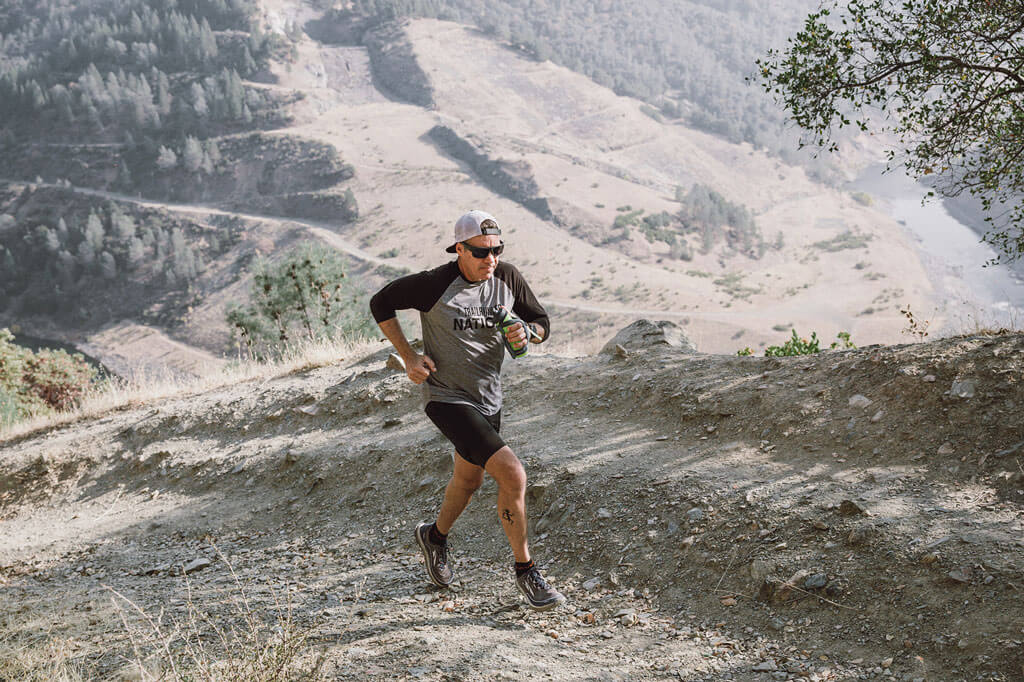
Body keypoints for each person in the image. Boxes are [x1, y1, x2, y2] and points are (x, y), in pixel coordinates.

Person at [369, 209, 565, 611]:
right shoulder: (434, 285)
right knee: (513, 473)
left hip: (489, 398)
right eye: (480, 252)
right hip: (446, 398)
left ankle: (434, 537)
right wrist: (408, 357)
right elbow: (381, 302)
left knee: (469, 481)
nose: (490, 260)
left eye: (496, 250)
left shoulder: (507, 277)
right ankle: (526, 572)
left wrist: (529, 333)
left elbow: (541, 321)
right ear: (459, 248)